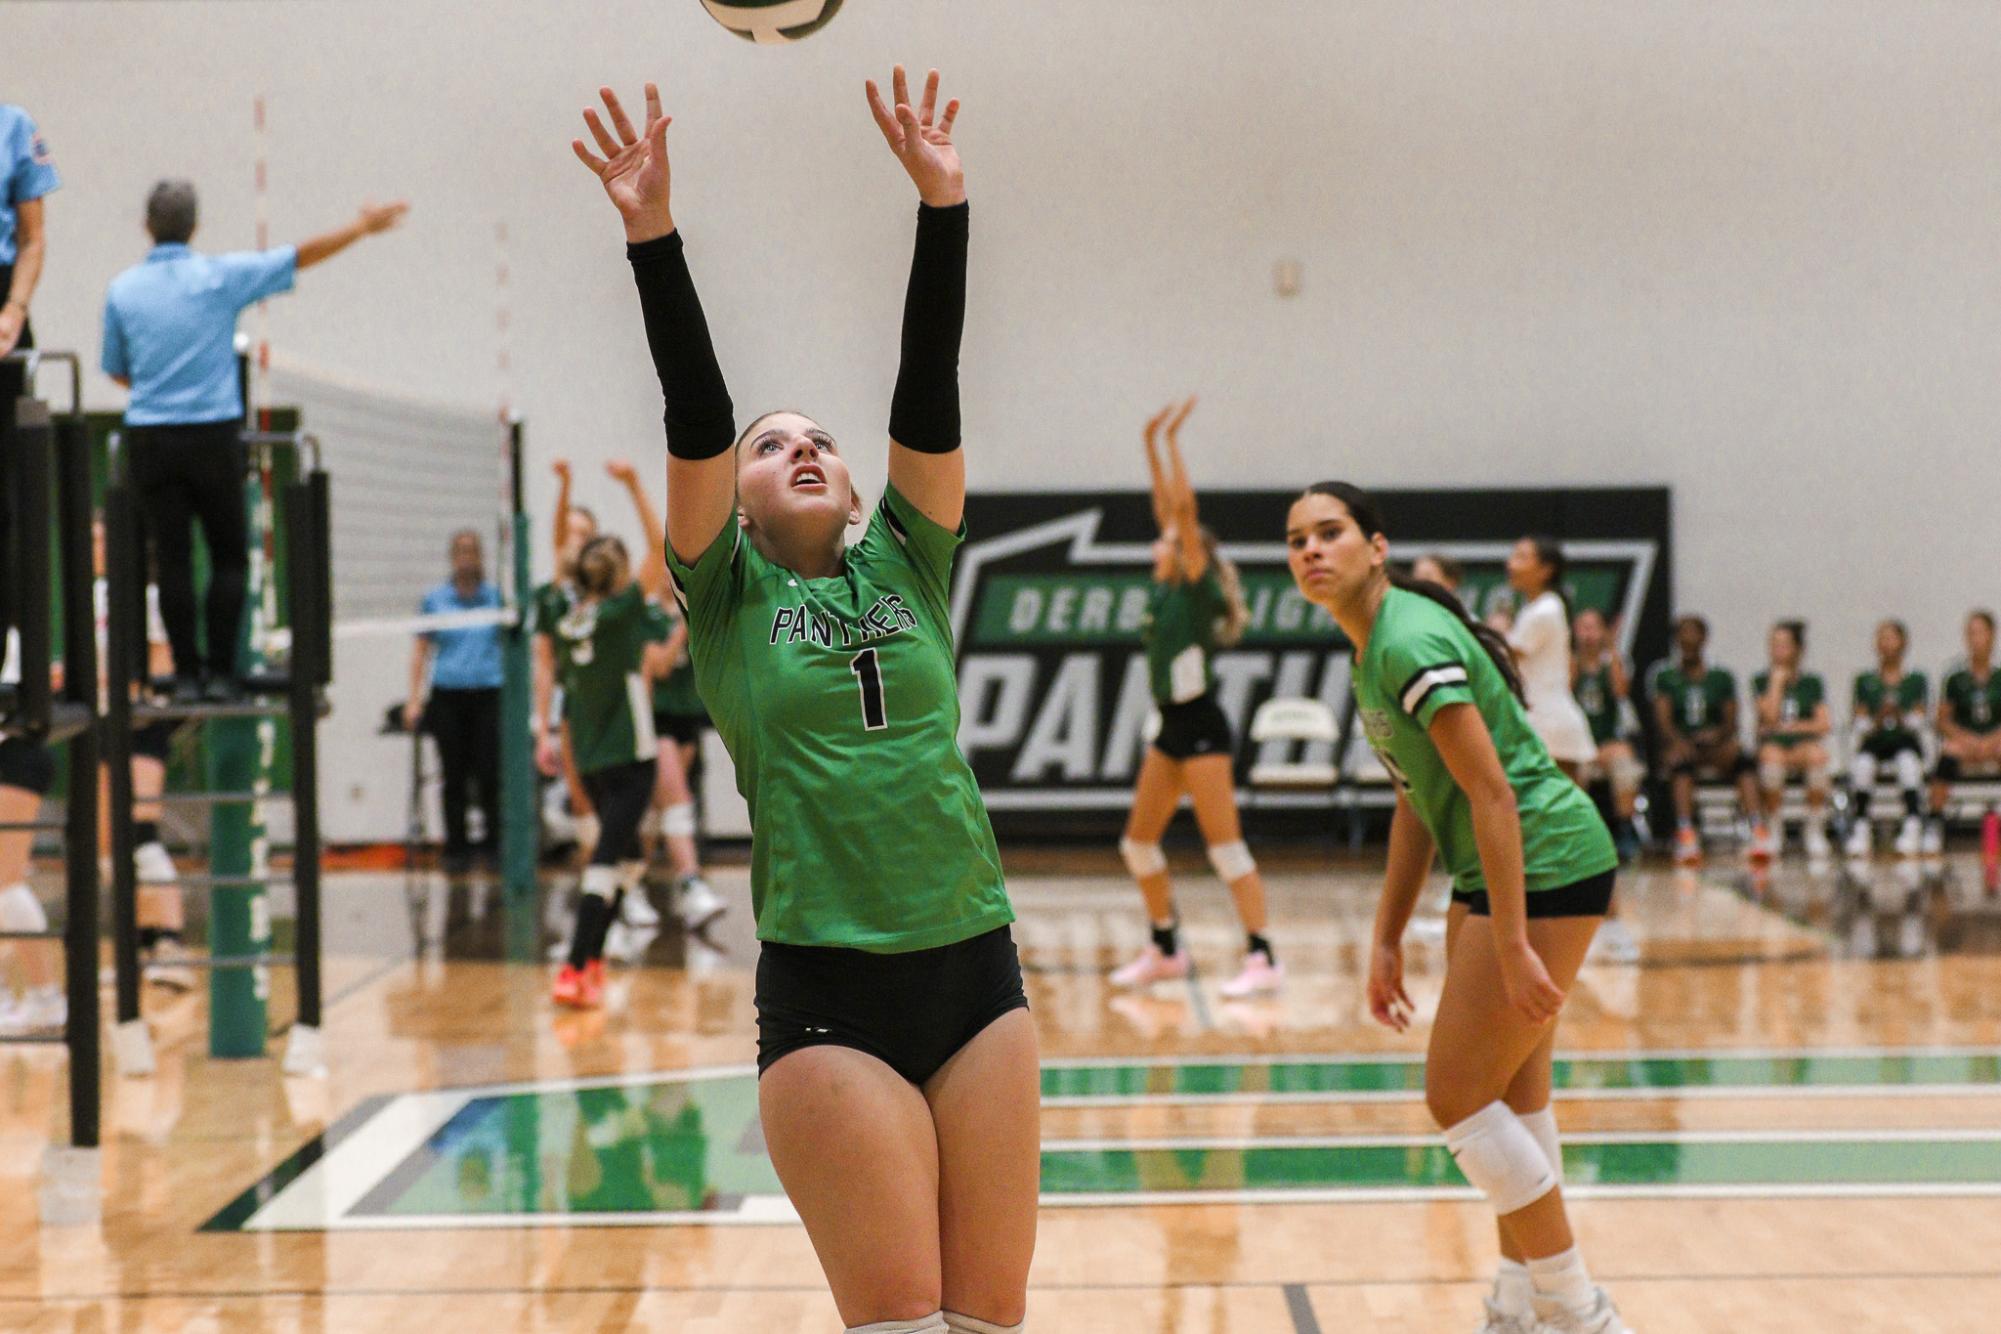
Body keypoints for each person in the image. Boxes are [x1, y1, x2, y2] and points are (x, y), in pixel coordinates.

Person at [573, 70, 1035, 1332]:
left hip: (978, 966)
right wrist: (652, 235)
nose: (805, 450)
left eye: (816, 438)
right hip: (833, 987)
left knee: (992, 1324)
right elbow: (695, 411)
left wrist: (945, 208)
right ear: (742, 498)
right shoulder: (723, 594)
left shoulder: (909, 560)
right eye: (774, 448)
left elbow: (927, 389)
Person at [1287, 482, 1628, 1334]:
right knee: (1514, 1101)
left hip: (1544, 859)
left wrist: (1510, 943)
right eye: (1297, 541)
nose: (1311, 551)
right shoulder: (1373, 650)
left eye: (1329, 533)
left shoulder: (1402, 639)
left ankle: (1578, 1310)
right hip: (1506, 868)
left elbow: (1492, 794)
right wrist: (1386, 936)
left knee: (1456, 1097)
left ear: (1376, 546)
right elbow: (1418, 801)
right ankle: (1518, 1308)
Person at [100, 180, 408, 702]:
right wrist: (362, 227)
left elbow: (117, 370)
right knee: (228, 557)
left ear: (146, 226)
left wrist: (160, 388)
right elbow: (300, 255)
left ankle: (187, 679)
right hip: (213, 433)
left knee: (172, 559)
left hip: (150, 435)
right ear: (195, 227)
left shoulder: (123, 290)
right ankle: (221, 674)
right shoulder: (221, 277)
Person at [1109, 398, 1278, 999]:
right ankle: (1165, 948)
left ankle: (1263, 955)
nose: (1159, 544)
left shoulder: (1192, 586)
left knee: (1225, 847)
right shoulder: (1163, 590)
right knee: (1138, 842)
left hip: (1203, 725)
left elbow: (1181, 512)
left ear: (1188, 554)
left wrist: (1173, 446)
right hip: (1172, 725)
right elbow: (1168, 512)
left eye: (1171, 542)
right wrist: (1150, 442)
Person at [546, 461, 672, 1005]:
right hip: (631, 756)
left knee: (628, 859)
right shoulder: (622, 614)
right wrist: (636, 484)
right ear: (618, 575)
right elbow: (661, 553)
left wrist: (565, 491)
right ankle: (575, 967)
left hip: (593, 759)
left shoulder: (562, 613)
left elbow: (558, 559)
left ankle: (591, 963)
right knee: (607, 860)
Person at [406, 529, 505, 874]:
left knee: (490, 773)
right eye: (460, 550)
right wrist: (414, 700)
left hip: (488, 695)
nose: (466, 556)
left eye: (472, 550)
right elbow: (420, 651)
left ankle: (494, 846)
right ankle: (456, 848)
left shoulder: (495, 598)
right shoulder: (436, 600)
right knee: (454, 774)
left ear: (481, 556)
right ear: (452, 556)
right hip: (448, 697)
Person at [0, 102, 58, 675]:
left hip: (2, 314)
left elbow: (33, 237)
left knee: (7, 498)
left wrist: (14, 307)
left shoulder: (13, 126)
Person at [1647, 615, 1763, 866]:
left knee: (1742, 759)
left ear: (1704, 639)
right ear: (1676, 640)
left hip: (1715, 744)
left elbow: (1731, 721)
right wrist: (1678, 741)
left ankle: (1756, 829)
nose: (1688, 639)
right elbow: (1663, 721)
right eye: (1683, 634)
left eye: (1693, 633)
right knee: (1680, 763)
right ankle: (1686, 832)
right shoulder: (1665, 675)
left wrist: (1716, 735)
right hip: (1681, 743)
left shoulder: (1721, 676)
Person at [643, 600, 725, 931]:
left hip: (687, 716)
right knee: (677, 801)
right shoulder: (647, 612)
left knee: (655, 811)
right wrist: (683, 628)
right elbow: (658, 665)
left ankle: (628, 887)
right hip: (656, 719)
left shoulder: (696, 601)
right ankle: (691, 884)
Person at [531, 460, 599, 858]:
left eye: (584, 534)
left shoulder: (608, 589)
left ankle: (628, 885)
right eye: (569, 532)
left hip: (612, 705)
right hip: (573, 708)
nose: (574, 541)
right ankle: (603, 888)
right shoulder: (552, 596)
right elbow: (544, 666)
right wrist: (544, 731)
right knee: (581, 799)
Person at [1504, 537, 1595, 783]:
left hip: (1550, 724)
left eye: (1522, 557)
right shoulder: (1535, 608)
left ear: (1546, 570)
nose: (1511, 564)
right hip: (1540, 720)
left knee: (1568, 814)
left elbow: (1505, 655)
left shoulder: (1545, 610)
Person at [1845, 619, 1930, 859]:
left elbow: (1919, 718)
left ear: (1903, 643)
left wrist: (1900, 716)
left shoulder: (1915, 680)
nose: (1885, 643)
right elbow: (1860, 722)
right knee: (1862, 766)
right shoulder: (1865, 680)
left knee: (1908, 766)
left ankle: (1913, 825)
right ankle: (1861, 826)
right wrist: (1878, 718)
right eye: (1881, 637)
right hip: (1876, 740)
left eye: (1891, 637)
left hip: (1904, 740)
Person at [1751, 621, 1834, 859]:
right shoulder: (1761, 680)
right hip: (1775, 747)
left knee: (1818, 756)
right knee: (1771, 759)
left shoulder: (1811, 682)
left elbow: (1823, 724)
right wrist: (1776, 682)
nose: (1777, 651)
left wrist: (1785, 727)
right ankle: (1774, 828)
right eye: (1774, 645)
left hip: (1802, 746)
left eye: (1784, 645)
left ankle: (1815, 829)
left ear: (1798, 649)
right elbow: (1768, 717)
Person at [1570, 607, 1642, 860]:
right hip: (1578, 744)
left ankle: (1624, 829)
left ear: (1603, 631)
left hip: (1606, 742)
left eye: (1593, 627)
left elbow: (1621, 691)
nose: (1588, 634)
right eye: (1582, 627)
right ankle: (1577, 833)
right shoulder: (1570, 662)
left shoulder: (1614, 661)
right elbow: (1565, 694)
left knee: (1624, 760)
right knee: (1572, 767)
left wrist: (1611, 648)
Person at [1929, 610, 2001, 855]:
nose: (1974, 639)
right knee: (1948, 752)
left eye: (1980, 632)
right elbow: (1942, 721)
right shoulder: (1955, 678)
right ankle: (1934, 823)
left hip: (1994, 742)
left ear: (1992, 636)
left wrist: (1991, 741)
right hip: (1965, 743)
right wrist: (1967, 739)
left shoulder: (1999, 677)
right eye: (1970, 633)